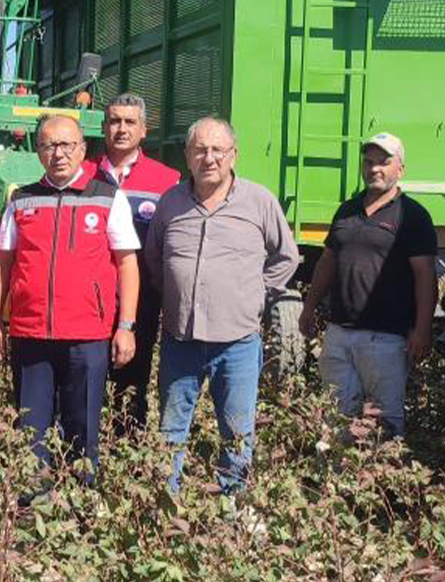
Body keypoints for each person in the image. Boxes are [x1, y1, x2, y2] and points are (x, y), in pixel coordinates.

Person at [145, 117, 299, 495]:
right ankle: (168, 504)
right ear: (187, 156)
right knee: (171, 429)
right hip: (181, 340)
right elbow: (154, 259)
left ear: (234, 155)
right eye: (200, 149)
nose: (208, 158)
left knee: (236, 430)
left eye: (217, 150)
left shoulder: (258, 201)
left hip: (238, 342)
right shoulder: (170, 203)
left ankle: (233, 507)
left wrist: (255, 295)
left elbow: (287, 257)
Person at [0, 115, 140, 480]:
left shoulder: (107, 197)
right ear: (38, 152)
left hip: (87, 335)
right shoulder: (21, 199)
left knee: (82, 427)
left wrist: (127, 325)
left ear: (83, 150)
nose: (58, 153)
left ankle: (81, 507)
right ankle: (29, 509)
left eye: (67, 145)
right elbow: (2, 263)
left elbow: (128, 264)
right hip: (31, 334)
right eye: (49, 145)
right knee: (30, 431)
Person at [299, 132, 436, 438]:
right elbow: (326, 263)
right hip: (338, 334)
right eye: (369, 162)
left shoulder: (413, 216)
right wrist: (309, 307)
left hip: (385, 339)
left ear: (400, 168)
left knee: (384, 423)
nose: (375, 168)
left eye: (384, 162)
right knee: (334, 418)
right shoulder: (347, 210)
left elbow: (425, 278)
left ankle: (383, 483)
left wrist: (422, 329)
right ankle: (334, 482)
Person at [91, 94, 180, 432]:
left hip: (141, 303)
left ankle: (127, 451)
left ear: (144, 130)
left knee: (131, 385)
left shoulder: (167, 180)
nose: (122, 129)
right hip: (90, 302)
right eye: (115, 121)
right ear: (104, 128)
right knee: (85, 382)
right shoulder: (84, 174)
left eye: (130, 122)